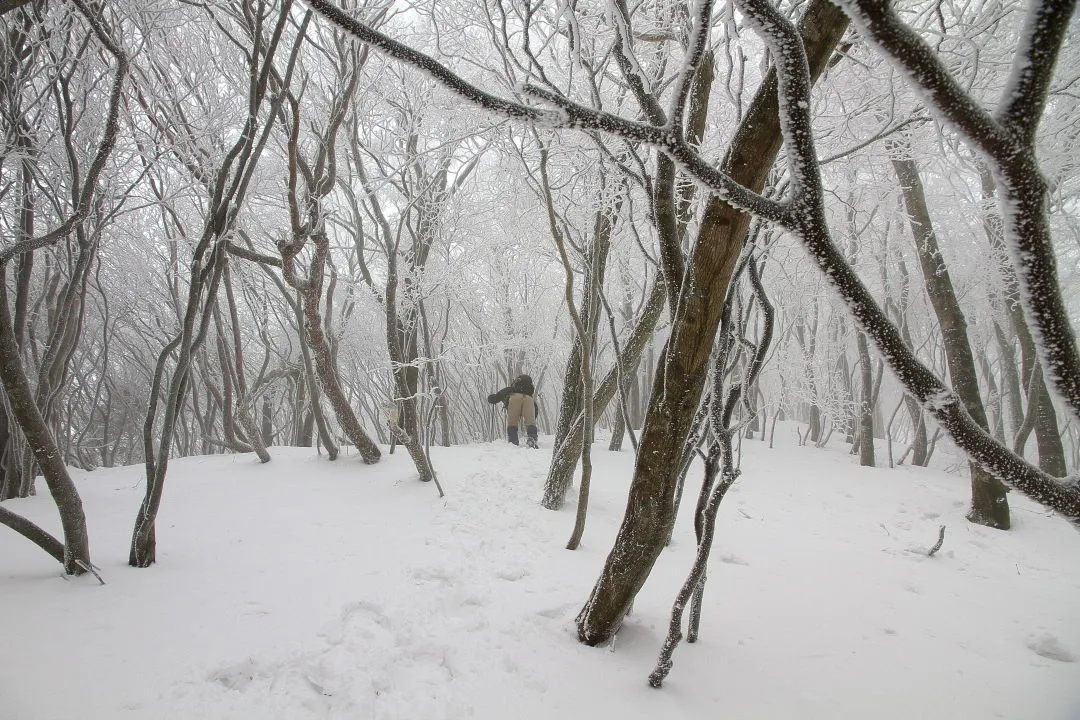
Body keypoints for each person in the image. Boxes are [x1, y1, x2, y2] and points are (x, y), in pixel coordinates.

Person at [487, 374, 539, 448]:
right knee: (530, 422)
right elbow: (535, 409)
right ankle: (532, 439)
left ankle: (513, 442)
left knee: (512, 423)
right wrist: (533, 418)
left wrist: (491, 399)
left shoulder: (511, 389)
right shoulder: (529, 394)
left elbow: (498, 396)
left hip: (514, 398)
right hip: (529, 400)